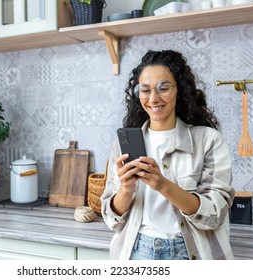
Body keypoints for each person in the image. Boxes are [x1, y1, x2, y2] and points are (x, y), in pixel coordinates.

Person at [101, 50, 235, 260]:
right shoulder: (123, 144)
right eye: (145, 90)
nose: (153, 98)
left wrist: (163, 185)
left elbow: (214, 215)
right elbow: (111, 219)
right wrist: (126, 189)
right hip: (137, 251)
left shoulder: (208, 140)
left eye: (163, 88)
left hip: (189, 252)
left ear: (178, 90)